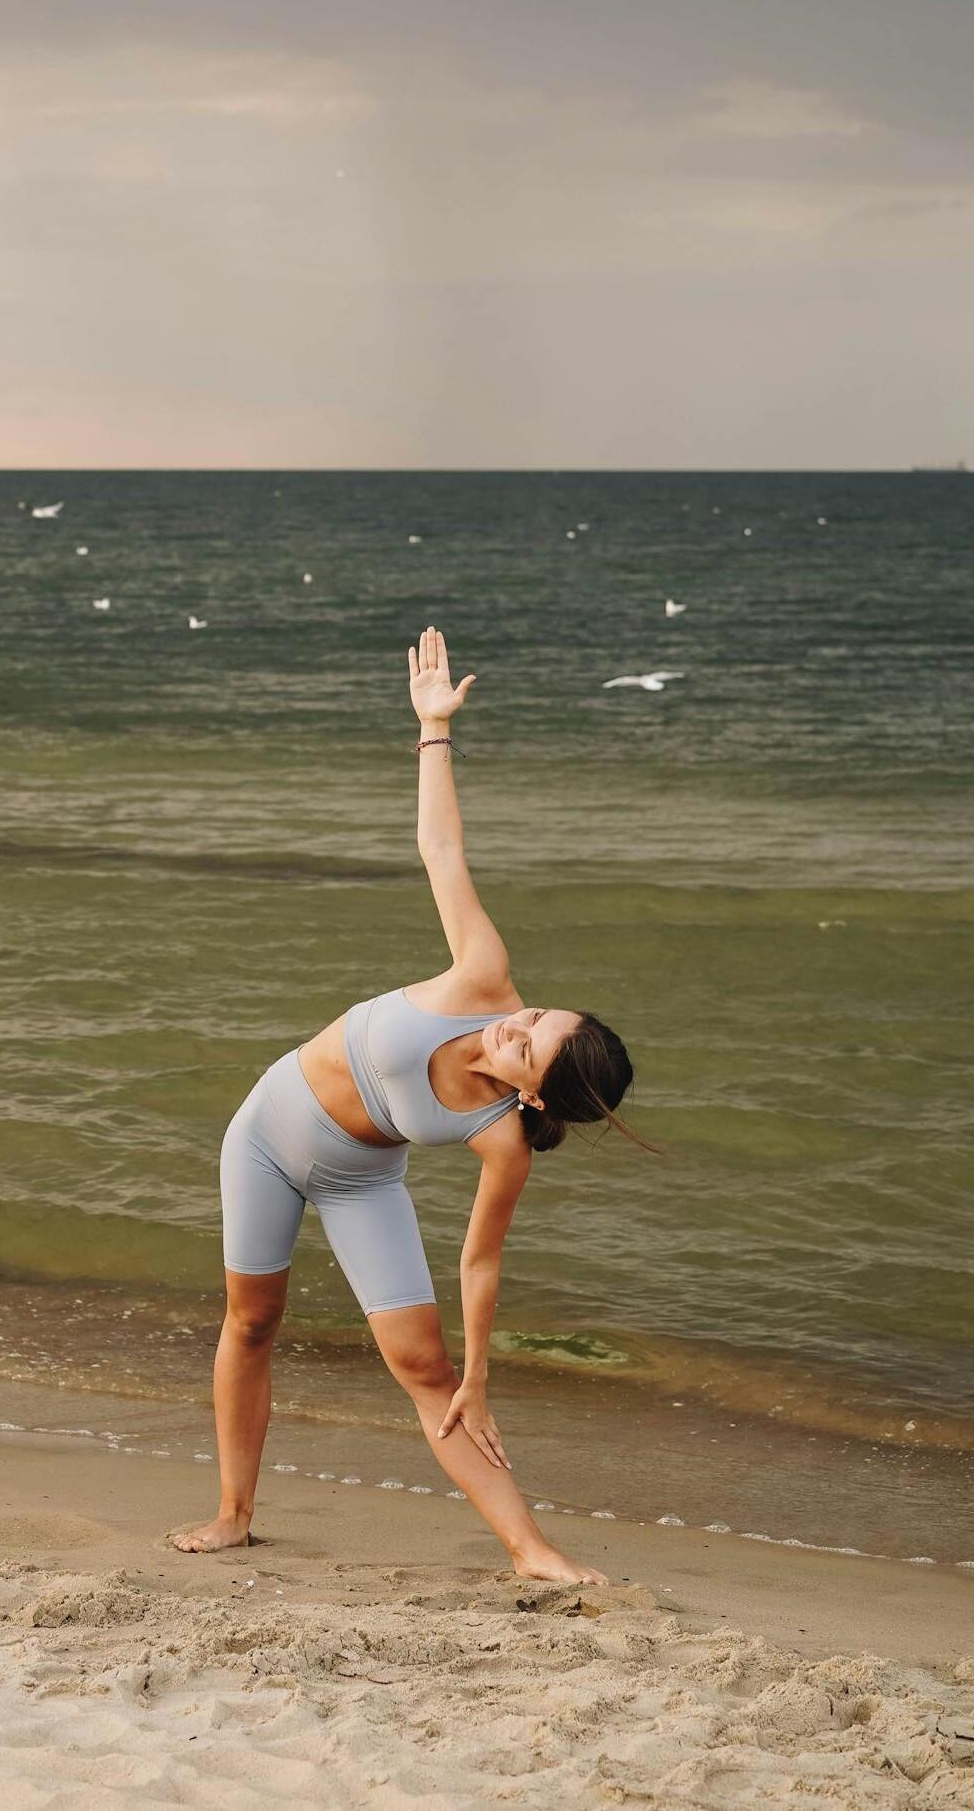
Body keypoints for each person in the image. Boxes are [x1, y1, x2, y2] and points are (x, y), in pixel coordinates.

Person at [168, 627, 640, 1583]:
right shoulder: (484, 975)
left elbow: (480, 1261)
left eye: (530, 1045)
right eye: (537, 1014)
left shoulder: (503, 1140)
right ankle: (231, 1515)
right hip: (268, 1130)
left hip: (358, 1178)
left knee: (427, 1373)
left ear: (539, 1089)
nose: (515, 1024)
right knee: (251, 1322)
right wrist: (433, 730)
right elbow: (440, 847)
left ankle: (531, 1551)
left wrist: (480, 1372)